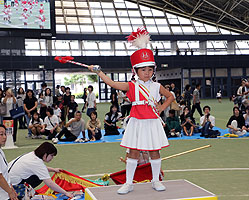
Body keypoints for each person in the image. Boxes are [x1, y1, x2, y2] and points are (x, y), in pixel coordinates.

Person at [88, 28, 173, 194]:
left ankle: (155, 180)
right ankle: (128, 183)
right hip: (136, 121)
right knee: (133, 152)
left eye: (150, 70)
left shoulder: (157, 86)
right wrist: (99, 72)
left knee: (154, 152)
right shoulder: (131, 85)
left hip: (152, 122)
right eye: (143, 70)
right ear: (136, 71)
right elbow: (112, 84)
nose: (147, 73)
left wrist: (161, 107)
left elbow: (170, 97)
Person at [8, 142, 73, 199]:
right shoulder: (37, 162)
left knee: (40, 174)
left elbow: (40, 169)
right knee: (40, 177)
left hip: (7, 182)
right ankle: (22, 194)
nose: (52, 158)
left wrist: (54, 169)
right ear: (45, 154)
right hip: (13, 187)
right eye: (51, 155)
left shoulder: (31, 155)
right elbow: (50, 183)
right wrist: (66, 193)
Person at [0, 124, 18, 200]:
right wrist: (10, 192)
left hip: (6, 192)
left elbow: (5, 173)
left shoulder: (1, 151)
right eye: (1, 134)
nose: (4, 137)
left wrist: (11, 188)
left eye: (5, 134)